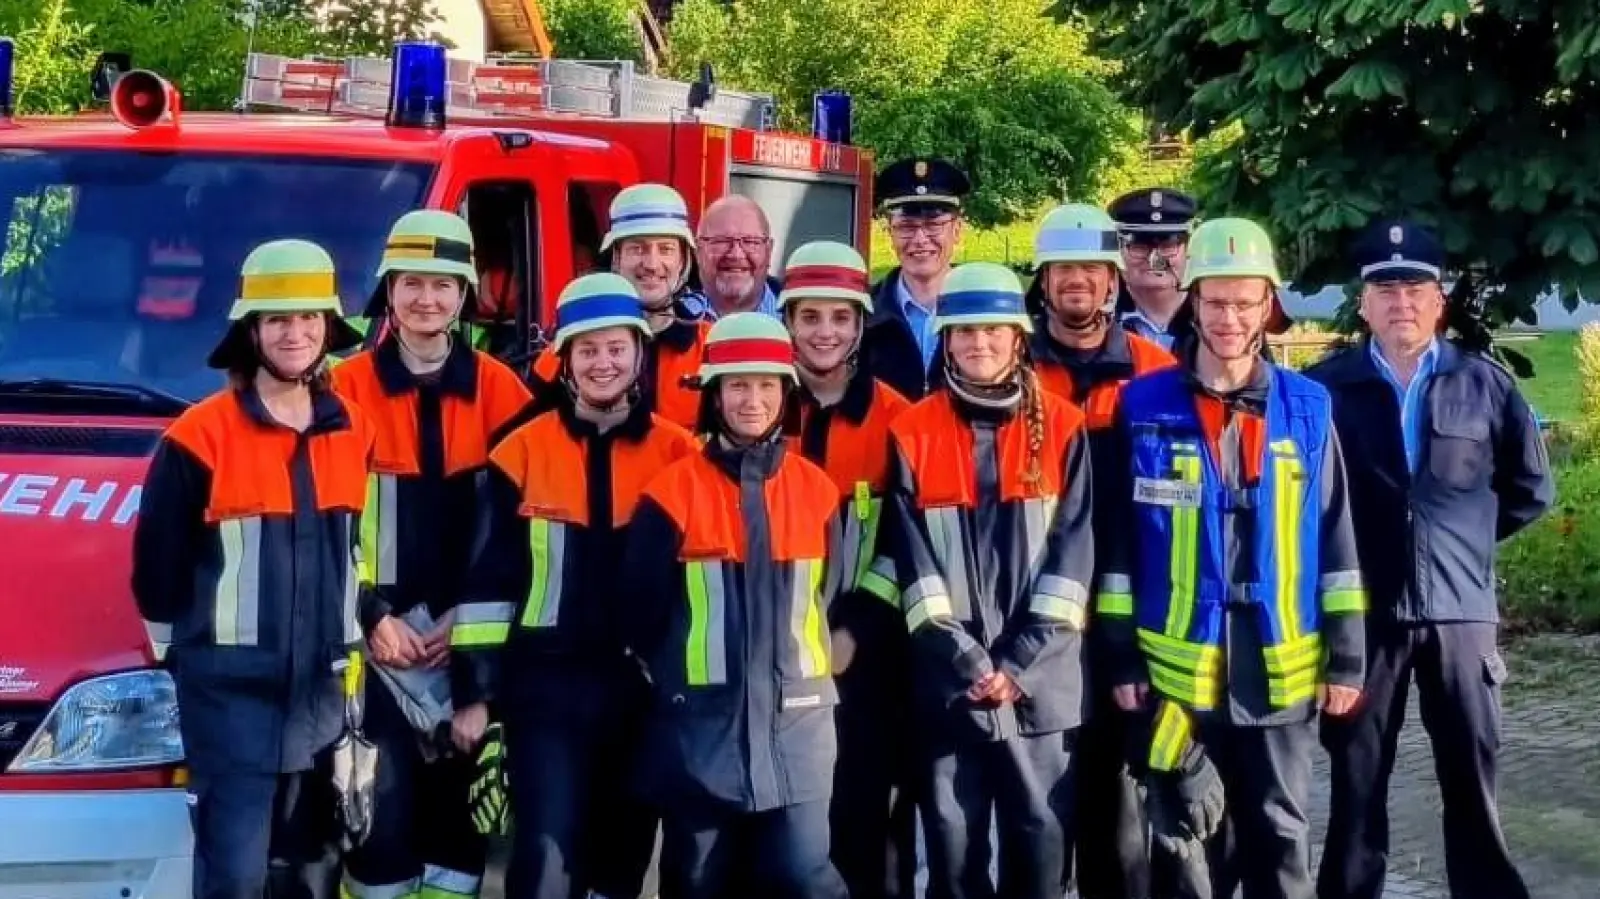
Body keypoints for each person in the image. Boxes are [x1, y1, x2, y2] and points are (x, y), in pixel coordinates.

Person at [1096, 217, 1369, 899]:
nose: (1229, 318)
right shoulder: (1141, 405)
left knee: (1281, 846)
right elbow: (1120, 542)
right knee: (1186, 853)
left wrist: (1347, 658)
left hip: (1279, 678)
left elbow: (1336, 538)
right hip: (1178, 681)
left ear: (1268, 305)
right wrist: (1121, 657)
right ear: (1192, 300)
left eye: (1245, 303)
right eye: (1216, 301)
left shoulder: (1309, 407)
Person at [1307, 220, 1554, 899]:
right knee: (1357, 783)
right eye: (1385, 290)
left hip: (1461, 616)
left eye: (1415, 289)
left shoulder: (1485, 384)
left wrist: (1462, 544)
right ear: (1363, 303)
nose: (1401, 303)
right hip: (1362, 615)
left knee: (1472, 780)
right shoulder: (1324, 390)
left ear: (1438, 299)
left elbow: (1530, 489)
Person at [132, 239, 372, 899]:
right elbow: (156, 576)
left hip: (322, 699)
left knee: (312, 877)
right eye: (277, 320)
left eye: (309, 317)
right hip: (229, 700)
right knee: (235, 877)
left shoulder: (353, 428)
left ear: (329, 327)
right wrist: (187, 660)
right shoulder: (197, 437)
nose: (296, 333)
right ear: (250, 331)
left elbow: (356, 552)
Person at [450, 272, 699, 899]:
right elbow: (489, 582)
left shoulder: (679, 456)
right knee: (545, 857)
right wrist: (475, 693)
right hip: (545, 688)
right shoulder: (519, 451)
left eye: (616, 347)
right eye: (586, 349)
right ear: (563, 359)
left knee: (620, 862)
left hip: (643, 690)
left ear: (640, 353)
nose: (602, 363)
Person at [622, 312, 859, 899]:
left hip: (798, 728)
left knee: (804, 877)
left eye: (766, 385)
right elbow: (641, 612)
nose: (753, 400)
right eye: (737, 385)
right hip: (699, 732)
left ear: (786, 394)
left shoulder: (819, 491)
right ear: (714, 396)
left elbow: (832, 594)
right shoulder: (670, 494)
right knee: (696, 882)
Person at [331, 210, 531, 899]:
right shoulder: (342, 391)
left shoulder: (505, 394)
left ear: (465, 294)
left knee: (456, 846)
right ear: (388, 291)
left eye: (443, 284)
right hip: (374, 658)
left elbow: (520, 542)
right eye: (411, 283)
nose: (427, 299)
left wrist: (472, 654)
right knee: (377, 837)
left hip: (464, 656)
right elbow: (323, 527)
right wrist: (370, 614)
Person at [888, 262, 1096, 899]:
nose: (979, 342)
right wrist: (970, 663)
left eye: (993, 330)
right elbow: (914, 565)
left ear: (1017, 339)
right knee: (953, 858)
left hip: (1041, 688)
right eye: (965, 331)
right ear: (946, 341)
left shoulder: (1064, 426)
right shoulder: (912, 431)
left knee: (1040, 851)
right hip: (949, 687)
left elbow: (1072, 560)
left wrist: (1016, 664)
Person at [1024, 203, 1177, 899]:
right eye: (1063, 269)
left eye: (1091, 268)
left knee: (1118, 814)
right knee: (1041, 809)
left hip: (1128, 620)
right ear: (1043, 281)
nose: (1077, 281)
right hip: (1037, 620)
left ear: (1114, 280)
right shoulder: (1012, 367)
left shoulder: (1155, 370)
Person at [774, 240, 916, 899]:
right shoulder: (756, 406)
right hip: (770, 656)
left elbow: (904, 545)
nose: (824, 332)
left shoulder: (898, 420)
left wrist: (854, 629)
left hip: (861, 662)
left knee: (857, 825)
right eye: (809, 316)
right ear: (788, 321)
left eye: (839, 317)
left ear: (861, 325)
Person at [530, 183, 709, 428]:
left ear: (684, 261)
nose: (652, 264)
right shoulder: (567, 350)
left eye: (665, 249)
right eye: (637, 249)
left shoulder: (710, 348)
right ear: (615, 258)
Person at [862, 156, 971, 401]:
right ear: (889, 232)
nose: (920, 239)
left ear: (957, 230)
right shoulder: (863, 315)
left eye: (933, 224)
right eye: (906, 226)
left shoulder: (985, 314)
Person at [1108, 187, 1198, 351]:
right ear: (1118, 250)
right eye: (1139, 246)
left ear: (1188, 249)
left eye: (1168, 245)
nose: (1154, 259)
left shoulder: (1209, 315)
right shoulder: (1101, 319)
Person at [683, 194, 782, 319]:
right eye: (721, 241)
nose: (736, 254)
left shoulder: (797, 318)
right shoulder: (669, 320)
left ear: (769, 251)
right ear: (698, 250)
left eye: (750, 241)